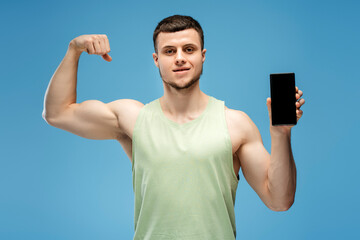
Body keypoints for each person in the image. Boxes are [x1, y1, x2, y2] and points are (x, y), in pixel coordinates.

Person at [42, 15, 305, 240]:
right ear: (156, 60)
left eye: (189, 49)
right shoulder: (132, 118)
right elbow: (57, 113)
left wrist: (280, 134)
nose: (180, 58)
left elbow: (279, 200)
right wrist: (73, 50)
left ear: (202, 57)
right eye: (170, 51)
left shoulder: (234, 123)